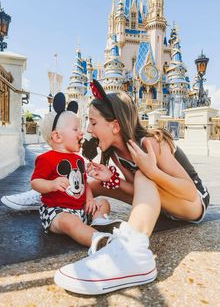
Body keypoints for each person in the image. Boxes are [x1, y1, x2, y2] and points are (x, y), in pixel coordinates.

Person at [53, 80, 210, 295]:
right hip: (162, 204)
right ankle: (52, 196)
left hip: (192, 204)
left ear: (115, 126)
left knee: (144, 176)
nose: (88, 129)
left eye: (93, 122)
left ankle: (132, 254)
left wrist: (152, 171)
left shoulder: (149, 143)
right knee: (97, 182)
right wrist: (111, 180)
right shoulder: (116, 152)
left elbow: (190, 192)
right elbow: (136, 190)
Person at [30, 92, 120, 248]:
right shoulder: (46, 158)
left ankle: (99, 222)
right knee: (69, 222)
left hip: (80, 209)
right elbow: (35, 182)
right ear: (57, 137)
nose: (82, 132)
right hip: (56, 212)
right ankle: (99, 240)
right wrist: (52, 185)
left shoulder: (78, 159)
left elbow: (85, 184)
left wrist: (90, 200)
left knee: (103, 203)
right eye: (75, 129)